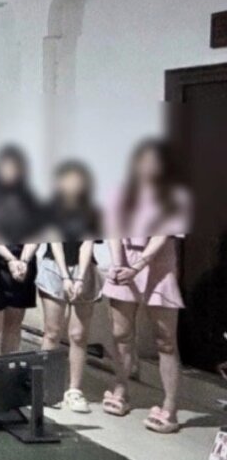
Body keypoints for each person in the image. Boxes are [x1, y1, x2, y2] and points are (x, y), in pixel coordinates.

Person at [102, 138, 191, 432]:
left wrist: (138, 266)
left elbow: (163, 234)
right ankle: (121, 389)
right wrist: (118, 264)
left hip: (158, 268)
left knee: (165, 340)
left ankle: (170, 407)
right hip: (124, 264)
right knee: (121, 333)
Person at [37, 160, 103, 413]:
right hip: (54, 267)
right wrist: (65, 276)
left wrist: (79, 277)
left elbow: (88, 243)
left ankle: (74, 390)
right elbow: (55, 242)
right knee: (52, 332)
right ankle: (45, 386)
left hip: (83, 270)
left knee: (78, 334)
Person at [0, 145, 43, 357]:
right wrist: (11, 259)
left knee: (14, 323)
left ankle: (8, 369)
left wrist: (23, 260)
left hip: (23, 264)